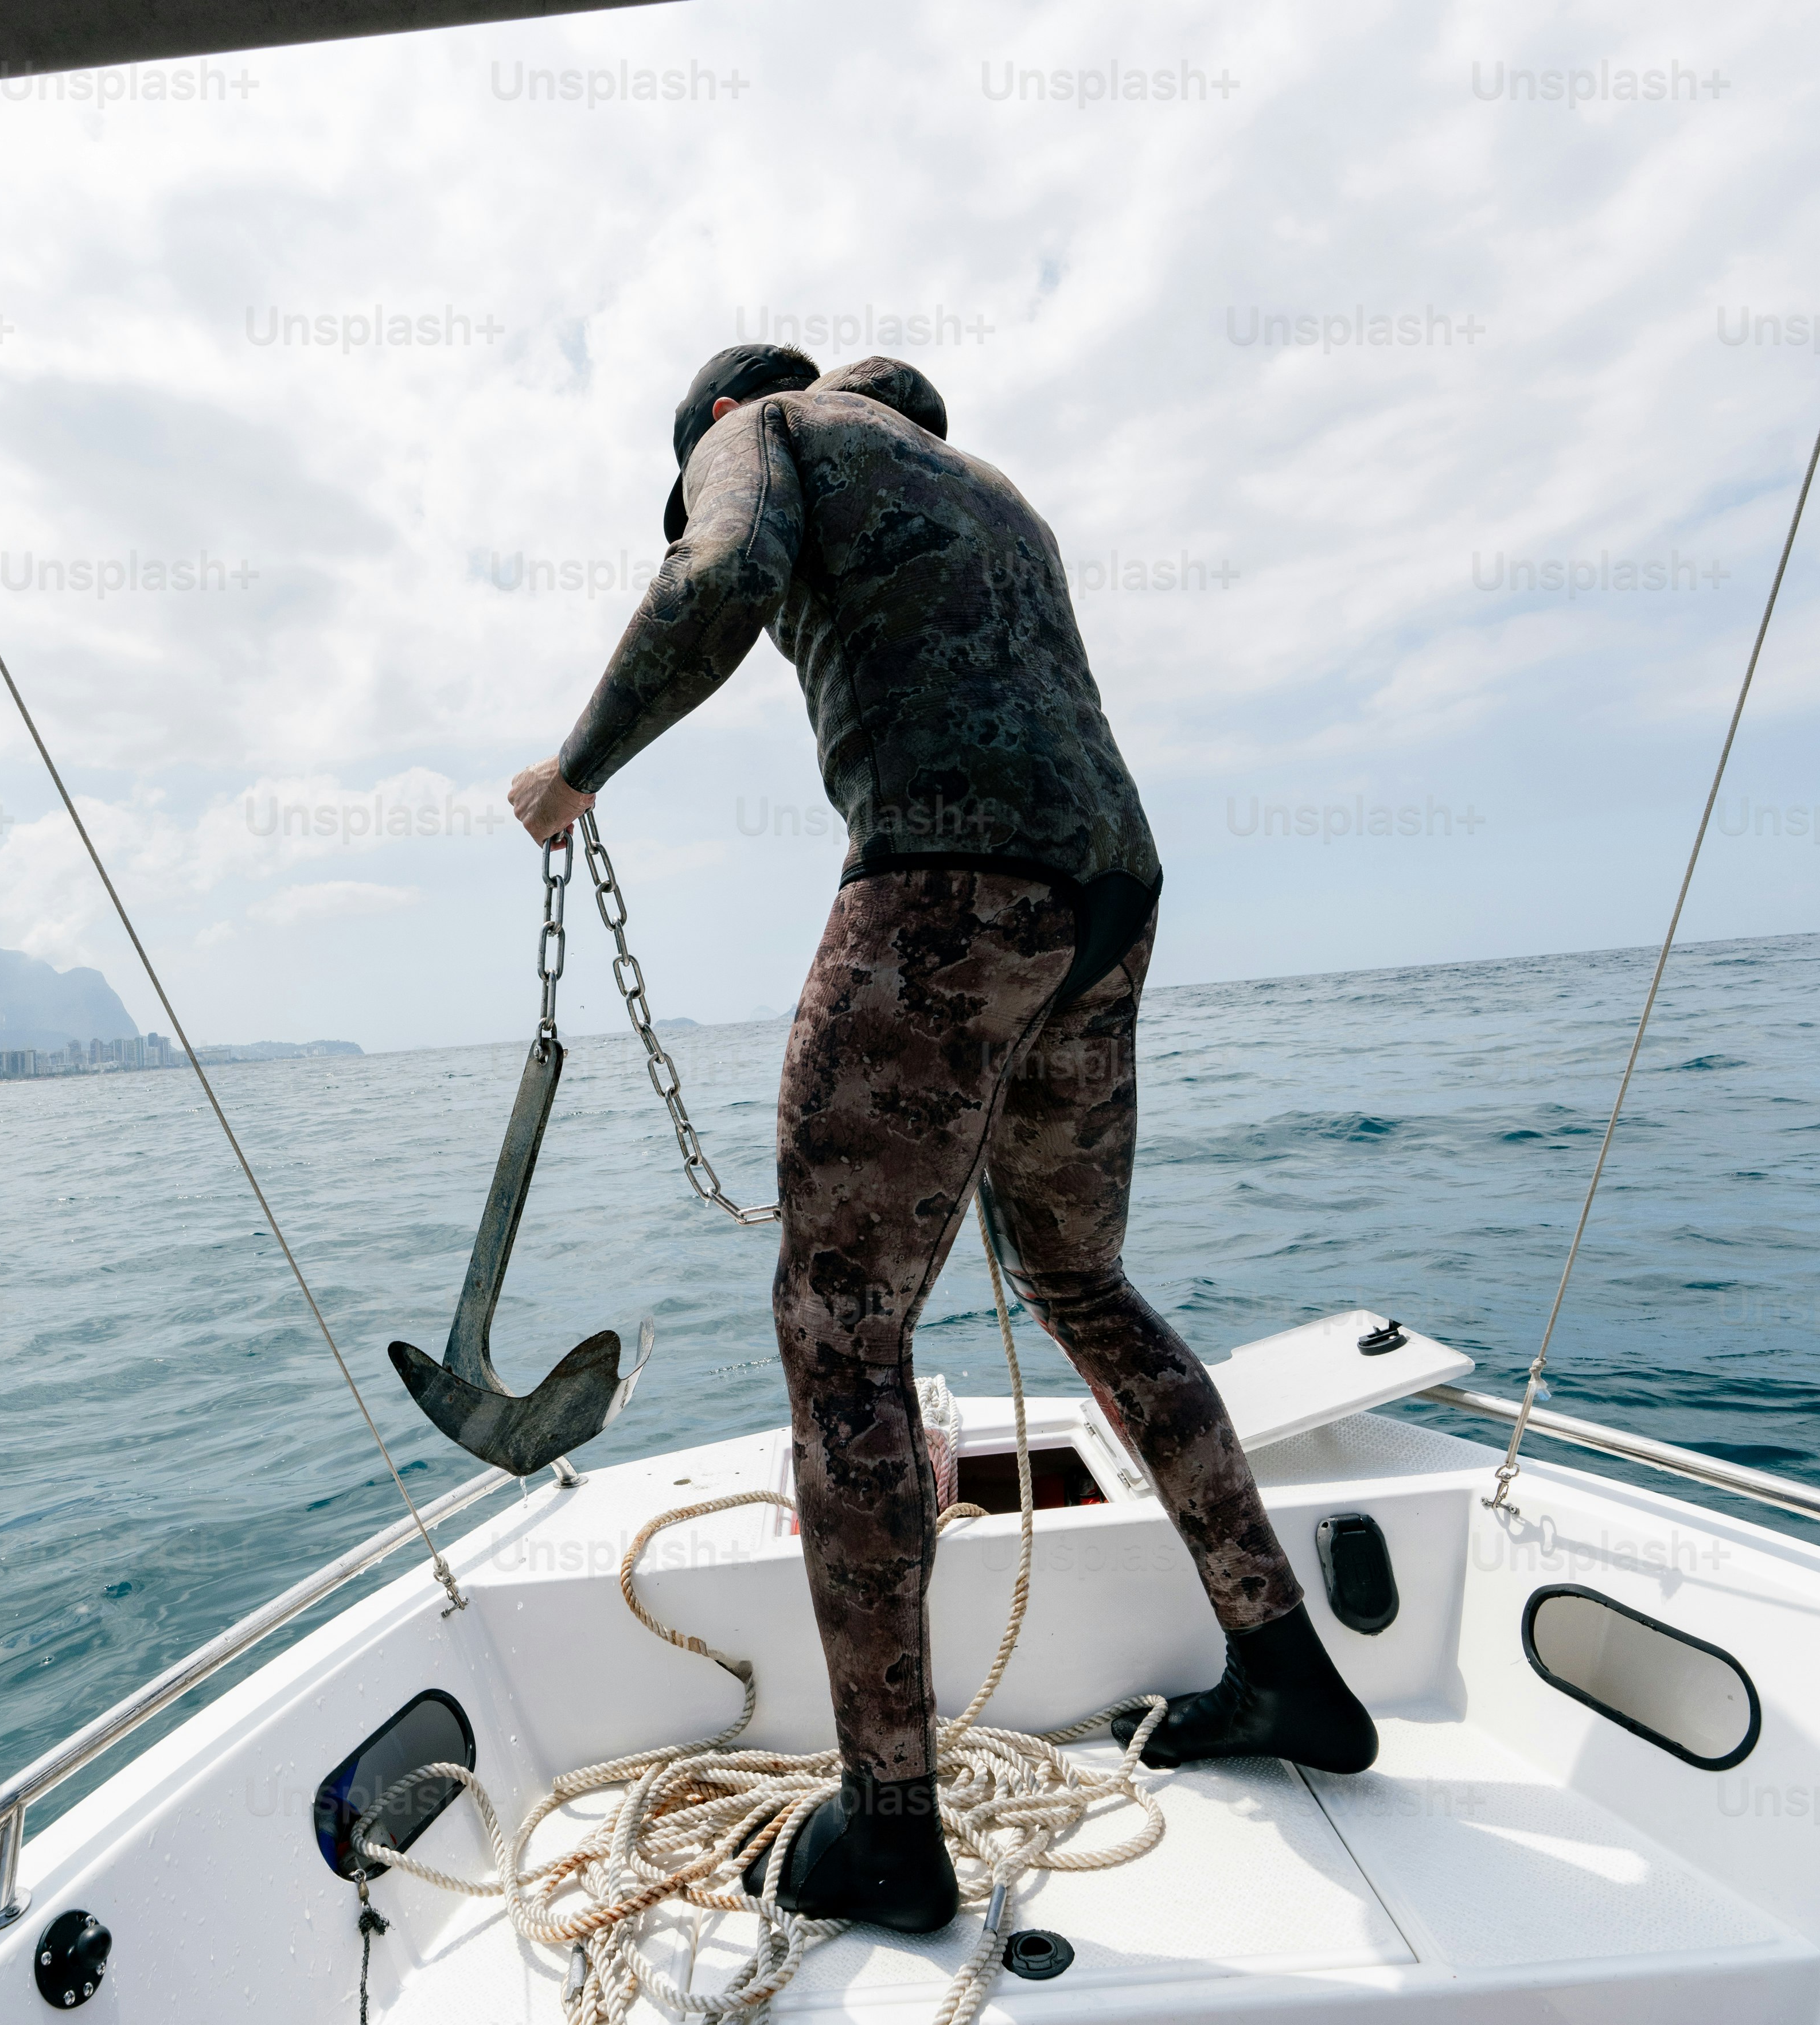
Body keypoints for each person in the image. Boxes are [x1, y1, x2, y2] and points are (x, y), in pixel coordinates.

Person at [508, 344, 1374, 1935]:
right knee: (1085, 1284)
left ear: (707, 417)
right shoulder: (995, 492)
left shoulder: (761, 426)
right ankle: (1285, 1671)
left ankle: (889, 1832)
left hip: (942, 883)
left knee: (840, 1336)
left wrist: (576, 770)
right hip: (1106, 894)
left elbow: (718, 575)